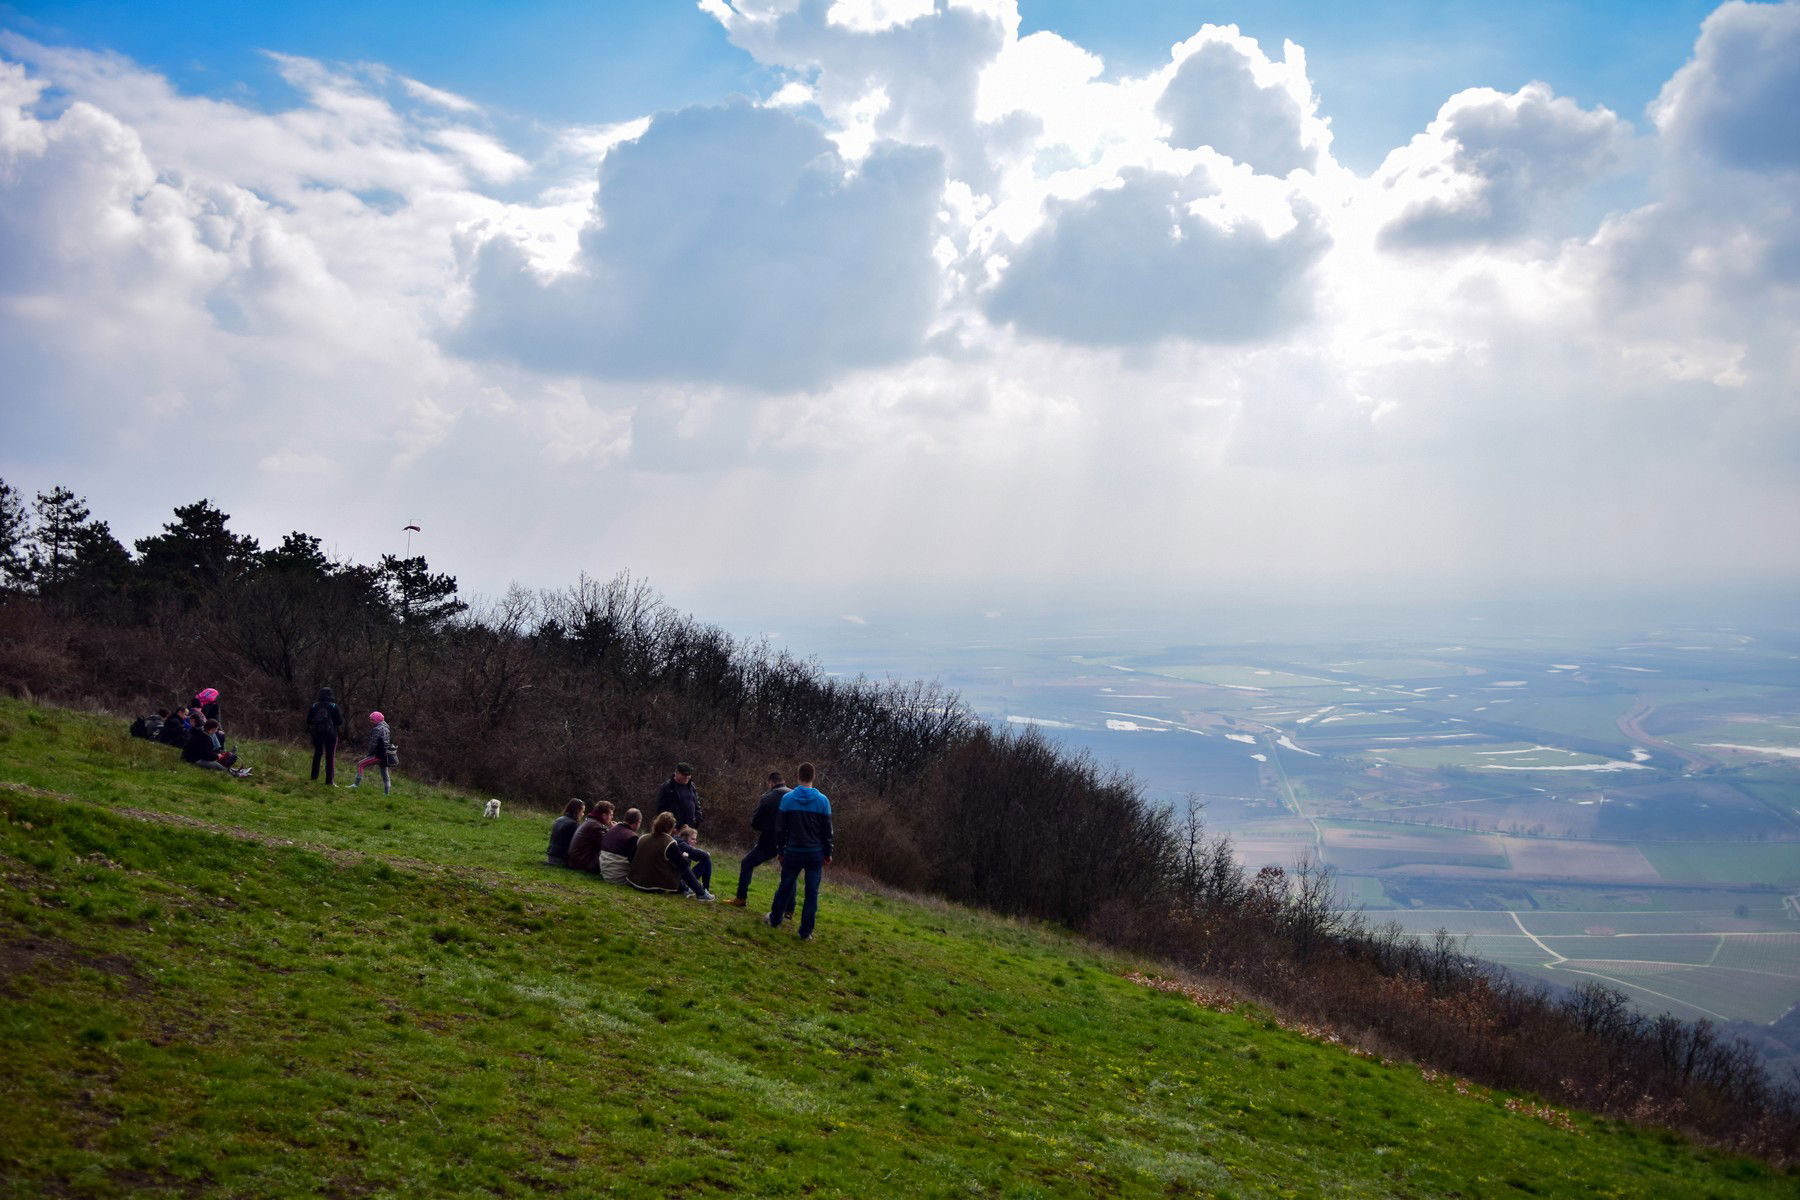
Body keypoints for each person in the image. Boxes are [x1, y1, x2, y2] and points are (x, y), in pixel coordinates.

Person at [767, 762, 832, 941]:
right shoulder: (823, 801)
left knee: (785, 887)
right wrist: (828, 853)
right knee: (812, 893)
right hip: (814, 853)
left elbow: (780, 829)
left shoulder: (788, 799)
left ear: (798, 776)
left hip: (793, 852)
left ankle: (775, 920)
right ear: (813, 777)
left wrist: (781, 850)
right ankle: (805, 932)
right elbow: (827, 831)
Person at [726, 771, 789, 907]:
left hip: (769, 841)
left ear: (770, 783)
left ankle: (741, 898)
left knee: (747, 863)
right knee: (789, 873)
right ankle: (789, 910)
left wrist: (767, 826)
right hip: (789, 841)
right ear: (783, 781)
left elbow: (755, 823)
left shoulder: (768, 797)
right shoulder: (793, 795)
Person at [629, 812, 713, 899]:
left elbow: (632, 858)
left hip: (634, 881)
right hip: (653, 885)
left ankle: (695, 890)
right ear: (671, 828)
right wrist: (685, 857)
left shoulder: (643, 837)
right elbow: (683, 865)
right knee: (682, 866)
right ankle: (701, 893)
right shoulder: (669, 842)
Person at [181, 719, 250, 778]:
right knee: (215, 764)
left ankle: (235, 770)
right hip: (192, 760)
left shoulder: (199, 732)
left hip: (187, 756)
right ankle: (235, 774)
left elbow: (204, 752)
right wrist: (217, 756)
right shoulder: (205, 738)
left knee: (217, 762)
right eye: (216, 729)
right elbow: (207, 756)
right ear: (212, 729)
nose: (216, 731)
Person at [306, 687, 345, 784]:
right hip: (331, 734)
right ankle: (329, 781)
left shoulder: (314, 706)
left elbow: (308, 721)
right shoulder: (334, 706)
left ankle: (314, 777)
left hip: (317, 734)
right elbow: (339, 721)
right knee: (330, 757)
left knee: (317, 754)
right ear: (331, 695)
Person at [351, 711, 393, 794]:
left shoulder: (377, 729)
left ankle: (356, 785)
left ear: (377, 719)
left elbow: (373, 744)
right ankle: (386, 793)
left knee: (360, 764)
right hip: (386, 755)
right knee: (385, 773)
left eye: (372, 720)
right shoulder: (387, 728)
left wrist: (369, 754)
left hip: (378, 755)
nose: (371, 722)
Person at [566, 801, 614, 873]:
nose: (612, 817)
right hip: (583, 863)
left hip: (577, 861)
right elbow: (607, 845)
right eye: (611, 815)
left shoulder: (591, 822)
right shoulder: (596, 826)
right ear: (604, 815)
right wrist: (614, 830)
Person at [598, 809, 642, 883]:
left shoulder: (611, 829)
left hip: (604, 873)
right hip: (618, 878)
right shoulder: (632, 837)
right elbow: (634, 862)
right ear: (638, 822)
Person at [655, 762, 702, 829]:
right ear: (676, 773)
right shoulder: (667, 787)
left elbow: (697, 804)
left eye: (689, 775)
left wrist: (698, 820)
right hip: (674, 829)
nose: (687, 777)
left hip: (690, 828)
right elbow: (661, 810)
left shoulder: (691, 786)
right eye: (684, 775)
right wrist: (671, 827)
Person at [545, 799, 585, 867]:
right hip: (562, 859)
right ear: (577, 811)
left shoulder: (559, 819)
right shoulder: (574, 824)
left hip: (551, 856)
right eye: (582, 811)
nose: (583, 814)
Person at [674, 825, 713, 895]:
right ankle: (705, 889)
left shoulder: (678, 842)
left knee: (707, 861)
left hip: (680, 879)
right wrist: (704, 853)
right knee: (707, 860)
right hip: (678, 883)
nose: (695, 841)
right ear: (685, 838)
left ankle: (705, 889)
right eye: (693, 839)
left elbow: (697, 855)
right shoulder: (682, 845)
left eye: (695, 839)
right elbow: (705, 855)